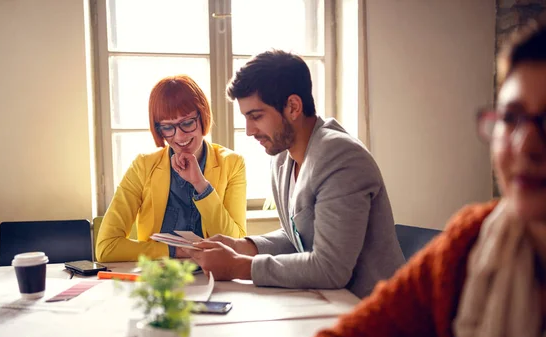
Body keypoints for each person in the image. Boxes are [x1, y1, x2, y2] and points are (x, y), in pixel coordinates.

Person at [295, 21, 546, 337]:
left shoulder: (337, 153)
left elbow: (329, 264)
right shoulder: (471, 249)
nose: (526, 144)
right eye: (510, 118)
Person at [186, 51, 403, 297]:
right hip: (331, 304)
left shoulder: (341, 157)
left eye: (256, 116)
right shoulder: (282, 156)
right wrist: (243, 247)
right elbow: (298, 238)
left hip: (379, 313)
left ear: (293, 107)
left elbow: (331, 268)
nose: (248, 131)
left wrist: (238, 266)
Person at [96, 75, 247, 262]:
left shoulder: (232, 164)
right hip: (159, 278)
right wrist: (175, 251)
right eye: (168, 127)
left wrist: (201, 185)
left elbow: (237, 244)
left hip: (214, 275)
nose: (180, 136)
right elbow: (106, 247)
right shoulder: (143, 166)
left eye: (187, 123)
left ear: (203, 116)